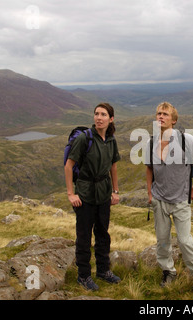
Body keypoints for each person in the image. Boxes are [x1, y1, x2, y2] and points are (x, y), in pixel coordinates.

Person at [146, 102, 193, 292]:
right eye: (158, 113)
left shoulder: (186, 140)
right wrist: (150, 192)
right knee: (162, 239)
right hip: (159, 199)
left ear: (173, 120)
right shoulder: (152, 142)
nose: (160, 117)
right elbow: (149, 168)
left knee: (184, 239)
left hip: (181, 200)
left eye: (165, 114)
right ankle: (168, 271)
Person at [64, 102, 121, 291]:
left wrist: (115, 191)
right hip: (85, 193)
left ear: (110, 119)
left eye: (103, 114)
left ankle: (103, 271)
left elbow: (113, 166)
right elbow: (69, 166)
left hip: (103, 193)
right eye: (96, 114)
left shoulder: (111, 140)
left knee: (103, 234)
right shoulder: (84, 138)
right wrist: (71, 194)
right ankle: (83, 276)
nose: (99, 117)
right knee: (84, 236)